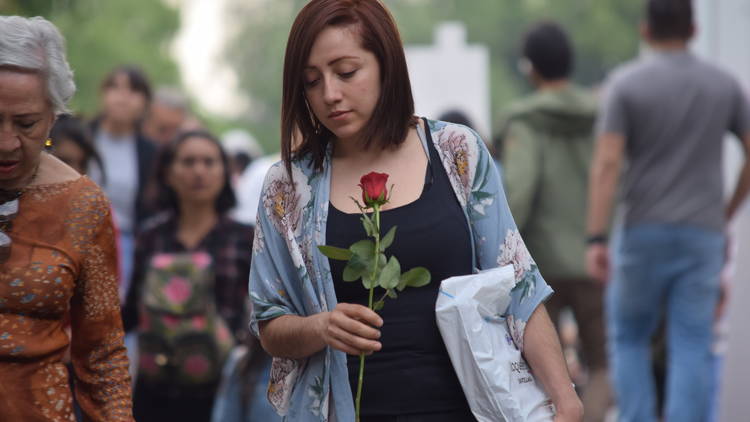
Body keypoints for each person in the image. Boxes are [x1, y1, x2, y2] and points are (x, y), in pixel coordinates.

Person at [249, 1, 583, 421]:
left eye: (347, 72)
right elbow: (269, 322)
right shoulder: (287, 187)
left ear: (386, 64)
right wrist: (319, 327)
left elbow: (517, 284)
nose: (330, 94)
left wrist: (564, 398)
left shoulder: (457, 152)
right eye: (311, 81)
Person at [585, 1, 750, 421]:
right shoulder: (724, 85)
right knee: (692, 340)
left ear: (645, 31)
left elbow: (606, 164)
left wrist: (596, 236)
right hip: (703, 233)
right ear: (694, 29)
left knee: (630, 337)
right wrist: (727, 210)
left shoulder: (626, 85)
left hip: (642, 229)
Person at [0, 15, 133, 421]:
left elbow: (102, 352)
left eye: (26, 124)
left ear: (53, 118)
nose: (6, 143)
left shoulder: (81, 204)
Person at [499, 22, 610, 422]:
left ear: (531, 68)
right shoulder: (603, 116)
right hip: (595, 259)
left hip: (542, 267)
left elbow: (519, 194)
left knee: (544, 369)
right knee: (602, 364)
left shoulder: (525, 121)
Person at [121, 130, 254, 421]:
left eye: (209, 162)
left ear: (224, 172)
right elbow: (130, 311)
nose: (199, 171)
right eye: (188, 161)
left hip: (222, 390)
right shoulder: (151, 236)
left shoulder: (245, 238)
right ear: (168, 172)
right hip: (155, 390)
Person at [89, 65, 158, 297]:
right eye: (115, 87)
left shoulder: (150, 152)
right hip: (76, 235)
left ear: (145, 102)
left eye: (133, 90)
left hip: (126, 245)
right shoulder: (82, 136)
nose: (123, 97)